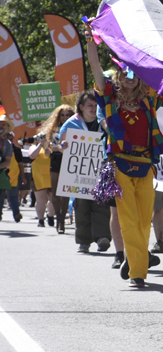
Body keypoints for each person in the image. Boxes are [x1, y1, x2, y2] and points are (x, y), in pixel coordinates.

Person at [83, 24, 163, 288]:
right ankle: (138, 273)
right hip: (120, 164)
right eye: (125, 72)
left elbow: (162, 70)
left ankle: (134, 261)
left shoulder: (150, 100)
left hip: (146, 164)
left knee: (145, 221)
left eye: (135, 72)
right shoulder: (109, 98)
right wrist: (90, 40)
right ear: (119, 75)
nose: (130, 76)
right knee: (129, 220)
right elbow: (96, 67)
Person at [59, 91, 113, 254]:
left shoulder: (103, 122)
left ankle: (102, 237)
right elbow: (62, 144)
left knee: (101, 204)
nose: (93, 108)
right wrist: (63, 147)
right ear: (81, 107)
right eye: (90, 105)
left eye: (96, 105)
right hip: (80, 172)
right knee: (81, 206)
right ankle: (83, 241)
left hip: (101, 167)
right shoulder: (71, 124)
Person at [41, 104, 74, 234]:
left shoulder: (76, 127)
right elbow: (49, 147)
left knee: (65, 192)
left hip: (69, 161)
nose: (65, 117)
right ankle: (58, 217)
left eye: (68, 115)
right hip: (56, 160)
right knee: (55, 192)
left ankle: (62, 221)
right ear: (58, 116)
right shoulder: (54, 130)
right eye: (62, 115)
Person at [0, 117, 20, 222]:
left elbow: (8, 161)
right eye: (0, 124)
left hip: (2, 175)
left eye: (4, 125)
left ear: (7, 128)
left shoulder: (7, 143)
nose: (1, 126)